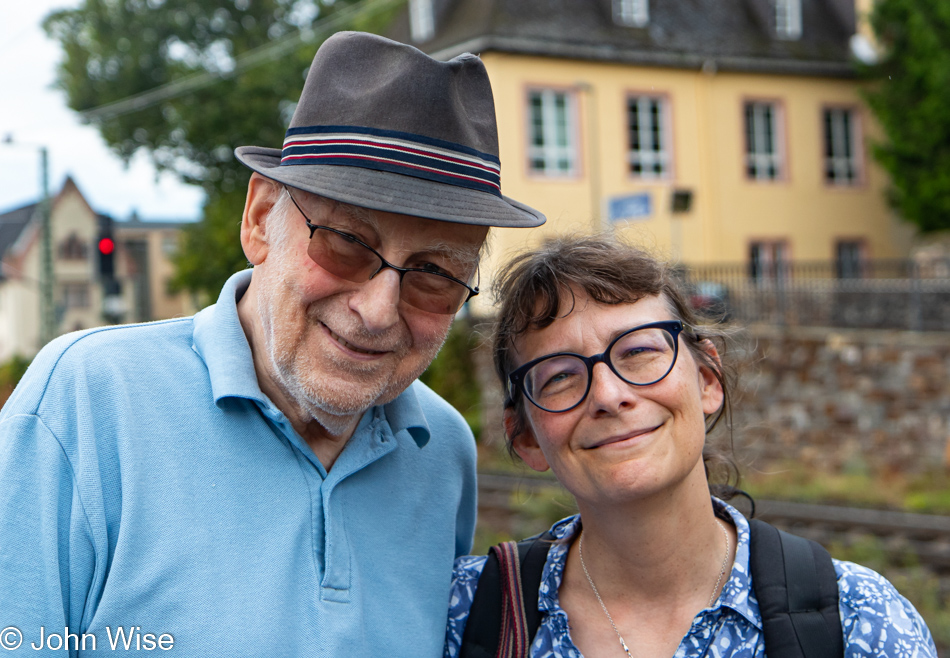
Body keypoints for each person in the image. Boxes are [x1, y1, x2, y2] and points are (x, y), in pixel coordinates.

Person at [0, 32, 544, 656]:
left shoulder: (442, 453)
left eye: (435, 273)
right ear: (260, 220)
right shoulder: (87, 403)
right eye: (344, 241)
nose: (376, 310)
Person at [445, 236, 936, 657]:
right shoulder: (462, 617)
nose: (610, 396)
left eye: (638, 351)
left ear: (706, 379)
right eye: (559, 378)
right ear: (525, 436)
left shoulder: (859, 622)